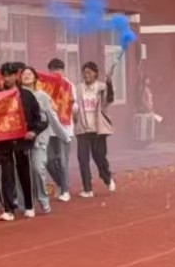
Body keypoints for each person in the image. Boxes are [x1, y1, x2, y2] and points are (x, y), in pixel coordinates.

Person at [0, 63, 45, 221]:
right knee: (6, 175)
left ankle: (29, 205)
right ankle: (8, 209)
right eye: (4, 75)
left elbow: (40, 118)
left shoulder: (27, 96)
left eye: (10, 75)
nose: (7, 78)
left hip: (23, 142)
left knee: (25, 173)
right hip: (4, 142)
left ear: (17, 75)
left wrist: (34, 132)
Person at [20, 66, 72, 216]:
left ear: (35, 78)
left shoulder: (42, 96)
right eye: (24, 74)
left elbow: (51, 117)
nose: (26, 76)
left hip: (39, 139)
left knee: (37, 168)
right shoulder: (17, 96)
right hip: (22, 140)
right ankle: (26, 203)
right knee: (23, 173)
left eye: (29, 74)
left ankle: (43, 199)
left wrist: (64, 136)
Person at [75, 62, 116, 197]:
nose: (86, 75)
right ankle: (88, 189)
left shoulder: (101, 87)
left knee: (99, 157)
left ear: (95, 74)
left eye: (89, 72)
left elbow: (109, 99)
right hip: (82, 129)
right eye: (84, 72)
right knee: (83, 159)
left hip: (98, 129)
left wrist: (109, 82)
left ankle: (107, 178)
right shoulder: (78, 89)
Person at [44, 58, 76, 200]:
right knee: (48, 160)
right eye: (53, 71)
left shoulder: (69, 86)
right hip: (49, 128)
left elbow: (75, 106)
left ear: (63, 71)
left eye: (59, 70)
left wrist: (72, 105)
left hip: (64, 127)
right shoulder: (45, 86)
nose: (56, 73)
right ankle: (62, 183)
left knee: (63, 160)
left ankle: (65, 191)